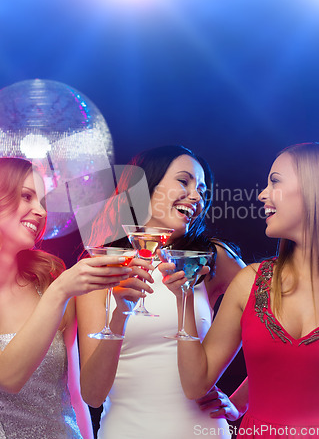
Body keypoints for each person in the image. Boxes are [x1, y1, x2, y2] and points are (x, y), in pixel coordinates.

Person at [164, 142, 319, 438]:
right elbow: (195, 384)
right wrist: (184, 298)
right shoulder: (249, 282)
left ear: (318, 190)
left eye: (275, 181)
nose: (263, 194)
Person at [0, 157, 133, 439]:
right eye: (27, 197)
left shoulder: (49, 281)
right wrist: (60, 292)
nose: (41, 211)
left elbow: (76, 396)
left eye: (42, 201)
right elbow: (6, 376)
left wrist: (119, 312)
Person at [76, 145, 247, 439]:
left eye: (203, 190)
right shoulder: (101, 266)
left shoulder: (211, 258)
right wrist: (120, 316)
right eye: (184, 181)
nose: (197, 196)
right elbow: (92, 394)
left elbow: (279, 329)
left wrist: (241, 403)